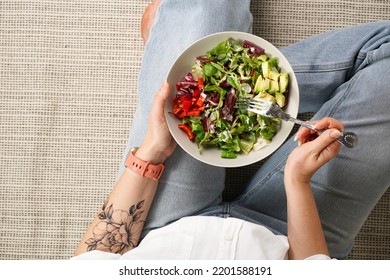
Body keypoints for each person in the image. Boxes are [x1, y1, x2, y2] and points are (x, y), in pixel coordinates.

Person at [73, 0, 390, 260]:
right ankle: (177, 50)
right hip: (293, 238)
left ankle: (189, 64)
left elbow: (95, 256)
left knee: (202, 15)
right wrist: (297, 181)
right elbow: (311, 270)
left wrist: (151, 152)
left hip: (158, 227)